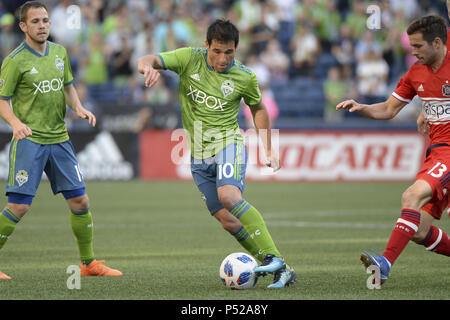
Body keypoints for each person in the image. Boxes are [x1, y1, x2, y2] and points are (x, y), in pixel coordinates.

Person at [137, 19, 296, 288]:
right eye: (217, 51)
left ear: (237, 49)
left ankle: (274, 258)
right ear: (206, 45)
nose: (223, 59)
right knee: (226, 219)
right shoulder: (188, 58)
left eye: (229, 52)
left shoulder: (245, 76)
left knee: (229, 195)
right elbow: (147, 58)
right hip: (198, 153)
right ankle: (277, 269)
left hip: (227, 142)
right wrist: (147, 68)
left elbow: (258, 109)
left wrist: (268, 147)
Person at [0, 1, 122, 279]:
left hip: (60, 139)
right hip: (30, 140)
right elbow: (2, 102)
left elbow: (67, 85)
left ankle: (89, 264)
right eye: (35, 21)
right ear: (23, 26)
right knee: (19, 206)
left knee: (80, 201)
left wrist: (77, 107)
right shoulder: (15, 61)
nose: (42, 25)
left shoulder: (59, 52)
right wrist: (16, 124)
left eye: (45, 20)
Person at [336, 15, 450, 285]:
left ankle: (385, 263)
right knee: (419, 230)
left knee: (411, 196)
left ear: (437, 42)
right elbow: (389, 108)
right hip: (436, 152)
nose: (413, 52)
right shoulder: (415, 73)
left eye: (418, 46)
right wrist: (362, 107)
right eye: (411, 46)